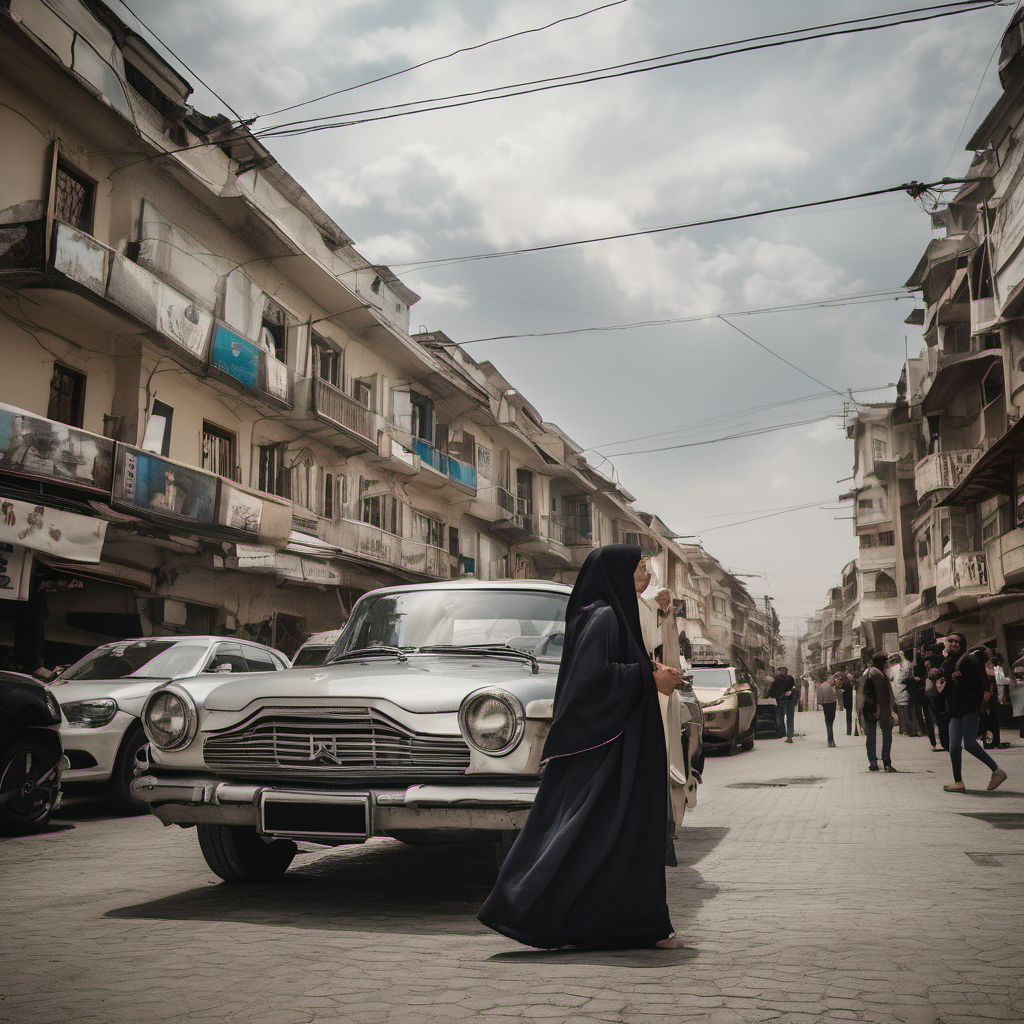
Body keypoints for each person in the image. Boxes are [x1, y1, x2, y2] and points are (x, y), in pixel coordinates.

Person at [478, 544, 682, 949]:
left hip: (622, 743)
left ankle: (626, 924)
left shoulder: (611, 613)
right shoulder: (603, 616)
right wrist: (649, 679)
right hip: (609, 751)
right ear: (616, 575)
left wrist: (648, 668)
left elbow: (613, 665)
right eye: (641, 569)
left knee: (613, 837)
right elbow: (591, 680)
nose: (646, 577)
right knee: (594, 835)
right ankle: (528, 908)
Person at [935, 634, 1007, 794]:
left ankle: (997, 771)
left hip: (968, 709)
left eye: (957, 642)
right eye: (950, 641)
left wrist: (971, 705)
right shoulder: (948, 661)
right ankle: (958, 781)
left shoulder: (969, 660)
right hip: (955, 711)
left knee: (970, 744)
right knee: (953, 746)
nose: (953, 644)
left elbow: (978, 687)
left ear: (963, 644)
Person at [859, 652, 897, 772]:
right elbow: (880, 695)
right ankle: (885, 762)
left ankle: (874, 762)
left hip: (870, 709)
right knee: (883, 736)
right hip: (877, 708)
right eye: (886, 662)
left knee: (872, 736)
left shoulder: (870, 673)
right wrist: (882, 710)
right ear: (882, 663)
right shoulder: (876, 674)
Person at [768, 666, 798, 742]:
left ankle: (785, 734)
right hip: (786, 700)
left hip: (783, 700)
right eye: (781, 670)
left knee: (783, 717)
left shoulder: (778, 679)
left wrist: (772, 696)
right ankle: (788, 734)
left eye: (782, 670)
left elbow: (772, 690)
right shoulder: (788, 679)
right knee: (787, 718)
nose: (781, 672)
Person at [815, 675, 839, 747]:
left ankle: (830, 741)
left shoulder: (820, 687)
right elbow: (835, 696)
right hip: (832, 704)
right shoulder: (831, 687)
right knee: (831, 722)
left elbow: (819, 698)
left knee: (828, 722)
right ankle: (831, 740)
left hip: (825, 705)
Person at [839, 673, 859, 737]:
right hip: (851, 703)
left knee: (851, 717)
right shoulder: (848, 685)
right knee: (852, 717)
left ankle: (852, 731)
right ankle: (852, 731)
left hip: (851, 703)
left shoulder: (852, 685)